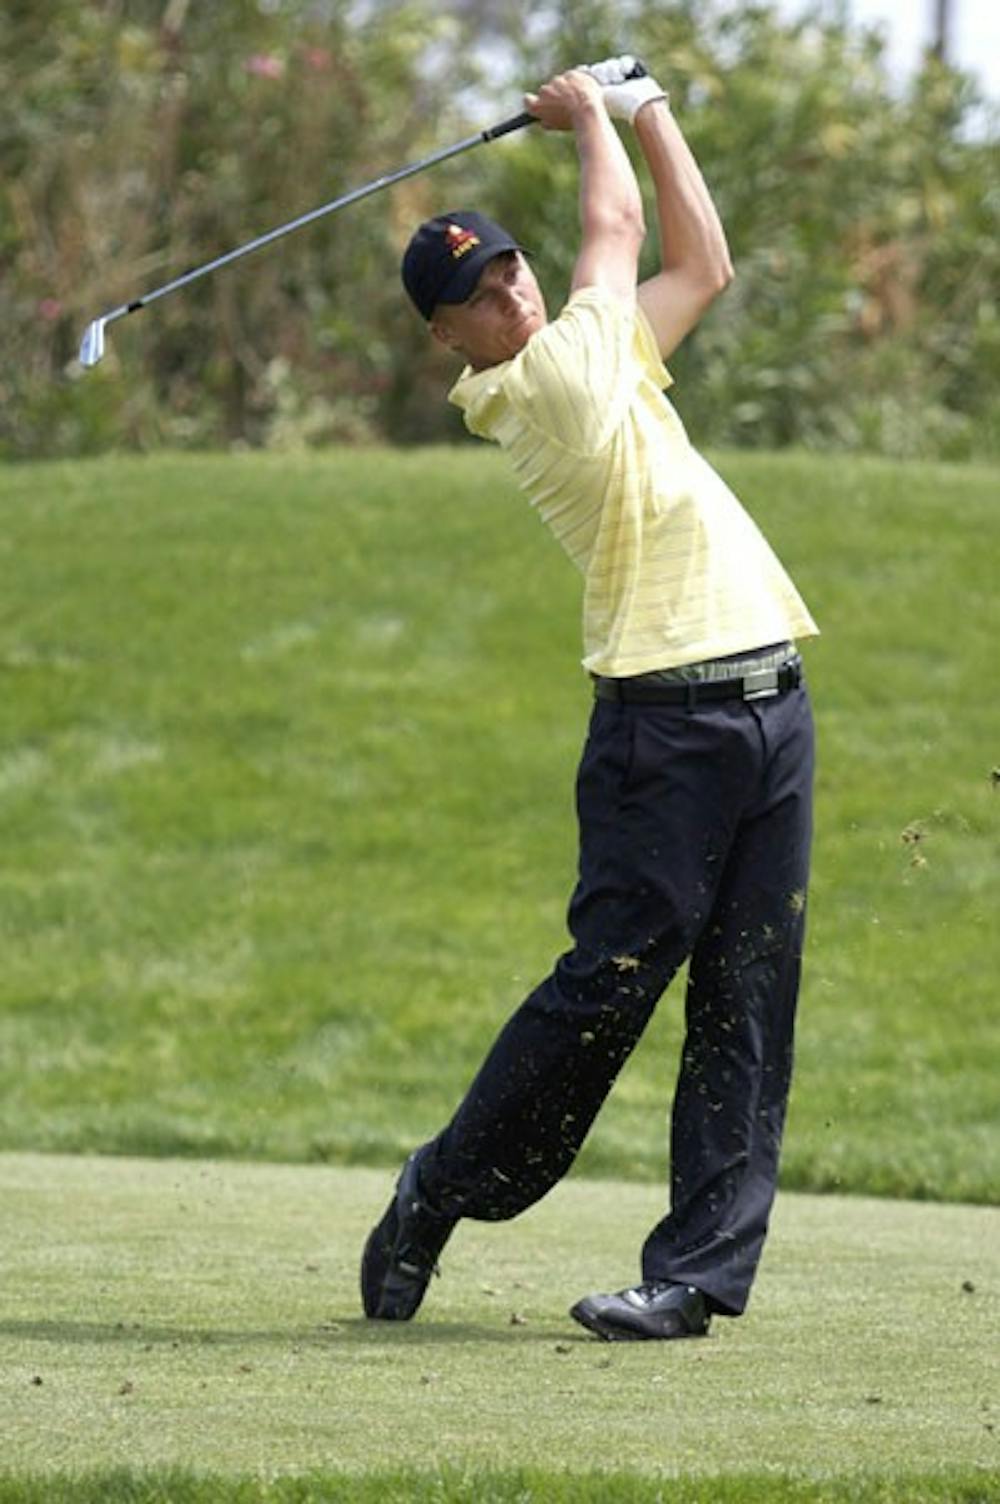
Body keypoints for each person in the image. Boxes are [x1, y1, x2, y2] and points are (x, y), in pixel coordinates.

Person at [360, 56, 819, 1342]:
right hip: (661, 722)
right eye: (474, 293)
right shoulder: (542, 387)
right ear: (447, 338)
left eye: (506, 267)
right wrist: (593, 118)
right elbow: (615, 233)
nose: (505, 290)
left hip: (770, 694)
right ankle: (436, 1190)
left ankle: (693, 1276)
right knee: (605, 991)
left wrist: (656, 105)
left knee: (748, 988)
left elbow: (702, 267)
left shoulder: (599, 358)